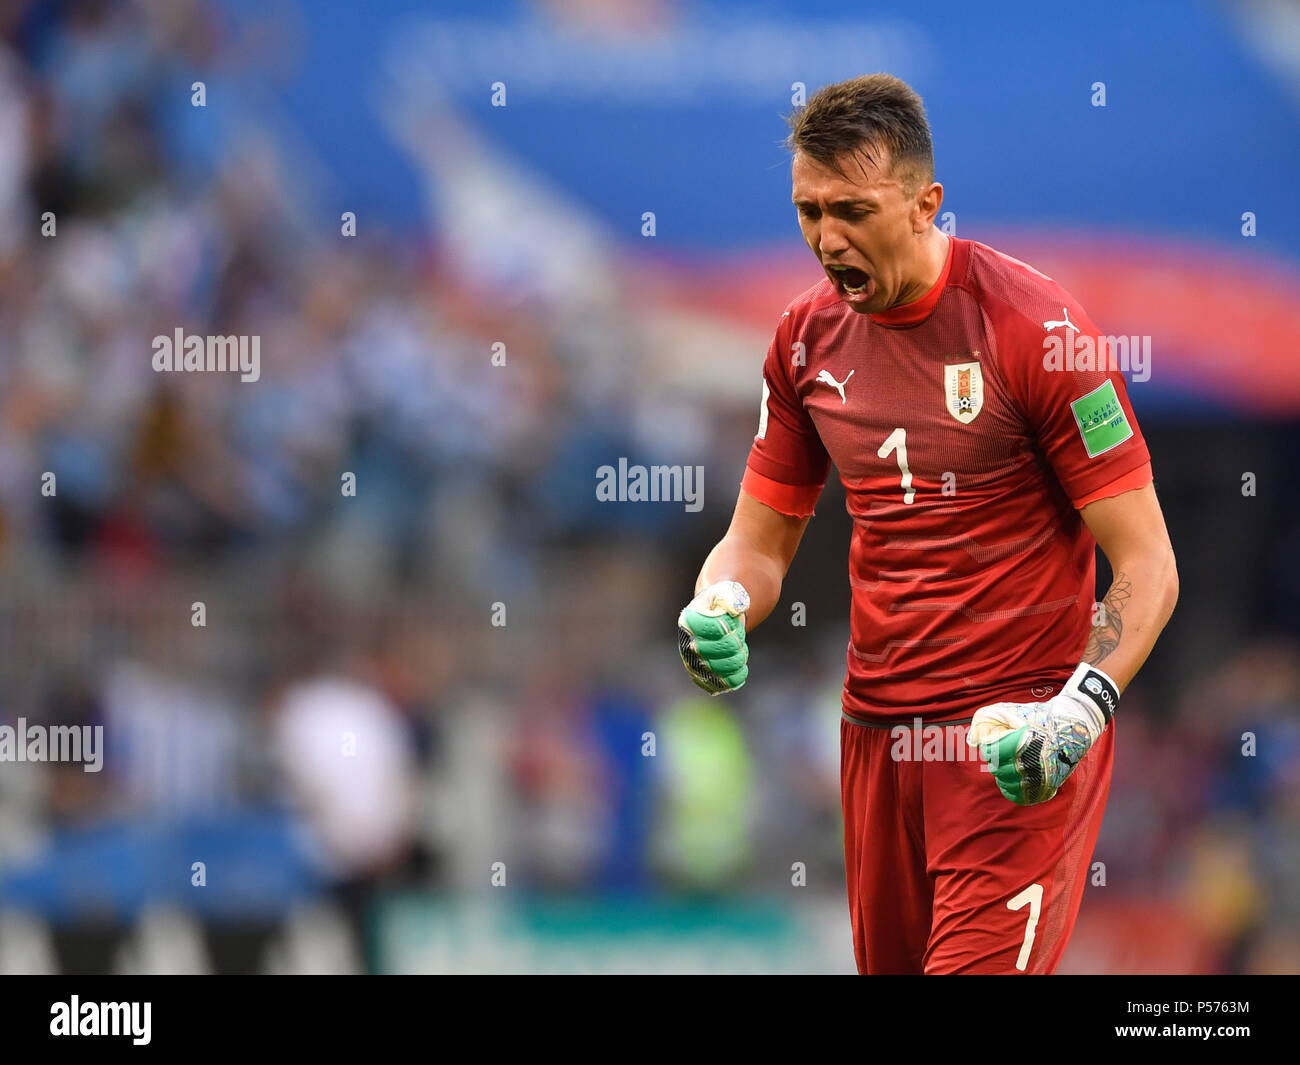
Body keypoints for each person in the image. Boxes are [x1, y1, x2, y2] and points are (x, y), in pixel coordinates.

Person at [676, 74, 1179, 974]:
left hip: (1011, 740)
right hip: (875, 734)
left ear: (925, 204)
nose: (829, 240)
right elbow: (758, 541)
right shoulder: (803, 342)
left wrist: (1080, 709)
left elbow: (1146, 562)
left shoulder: (1037, 331)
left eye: (854, 211)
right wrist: (718, 600)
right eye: (808, 211)